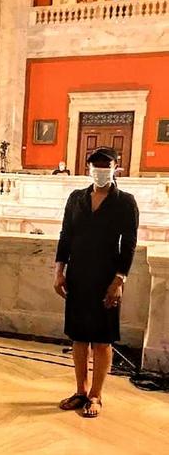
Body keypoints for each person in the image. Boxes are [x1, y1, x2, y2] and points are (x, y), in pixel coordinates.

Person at [54, 147, 139, 418]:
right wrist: (59, 271)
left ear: (115, 166)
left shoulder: (125, 202)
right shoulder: (76, 198)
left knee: (102, 340)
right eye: (95, 164)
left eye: (105, 164)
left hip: (106, 277)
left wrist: (119, 280)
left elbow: (129, 245)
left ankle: (96, 395)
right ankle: (81, 390)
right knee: (79, 338)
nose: (100, 169)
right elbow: (65, 236)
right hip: (78, 275)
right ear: (89, 167)